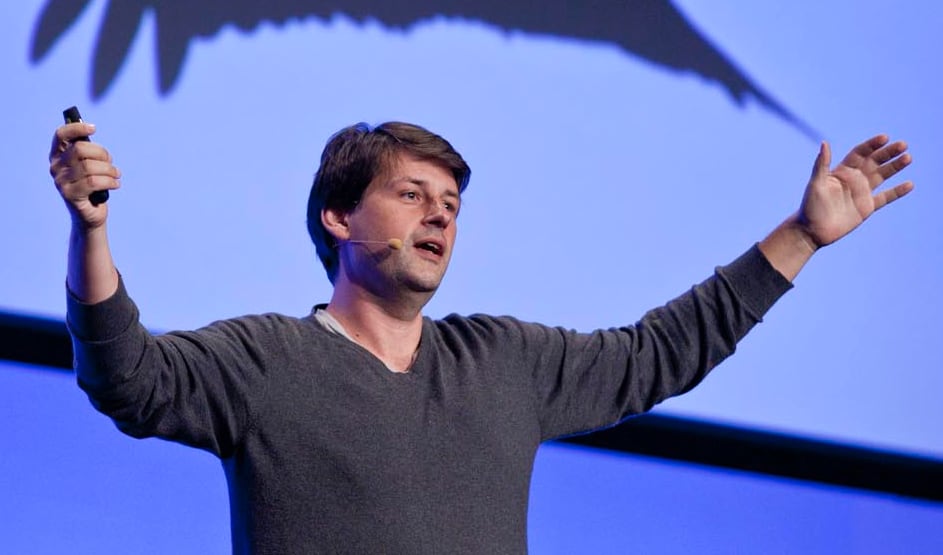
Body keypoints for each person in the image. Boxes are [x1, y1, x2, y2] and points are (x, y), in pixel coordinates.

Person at [48, 120, 913, 554]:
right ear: (339, 217)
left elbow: (658, 354)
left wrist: (799, 235)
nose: (439, 214)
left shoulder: (502, 362)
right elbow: (127, 377)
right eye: (413, 194)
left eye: (451, 206)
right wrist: (91, 228)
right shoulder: (264, 361)